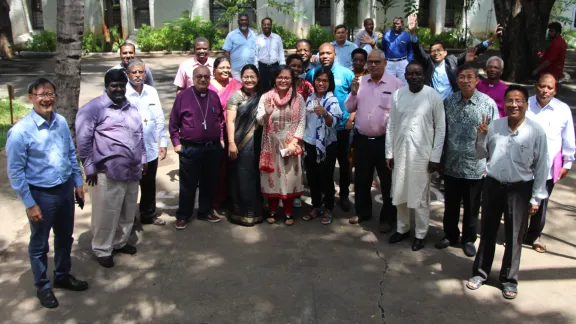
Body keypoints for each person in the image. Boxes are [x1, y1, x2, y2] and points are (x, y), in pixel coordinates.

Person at [6, 78, 88, 309]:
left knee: (65, 237)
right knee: (40, 244)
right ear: (31, 97)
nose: (46, 98)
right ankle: (42, 286)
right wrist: (30, 204)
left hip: (64, 191)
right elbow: (15, 172)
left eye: (50, 93)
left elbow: (71, 154)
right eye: (41, 94)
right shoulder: (20, 132)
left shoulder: (60, 122)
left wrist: (78, 182)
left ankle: (62, 275)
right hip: (41, 195)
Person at [466, 85, 548, 300]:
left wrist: (536, 197)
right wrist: (481, 136)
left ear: (526, 104)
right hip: (493, 185)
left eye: (519, 100)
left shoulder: (536, 131)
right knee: (487, 233)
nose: (514, 105)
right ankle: (480, 273)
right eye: (510, 100)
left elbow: (541, 167)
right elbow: (480, 155)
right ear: (505, 104)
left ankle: (509, 280)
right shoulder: (494, 126)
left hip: (520, 189)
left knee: (514, 237)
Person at [76, 69, 147, 268]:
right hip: (106, 172)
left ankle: (119, 242)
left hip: (132, 170)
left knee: (127, 211)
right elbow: (83, 140)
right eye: (113, 86)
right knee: (106, 213)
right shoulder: (92, 109)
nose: (118, 89)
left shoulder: (130, 108)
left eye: (121, 86)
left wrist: (143, 159)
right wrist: (89, 167)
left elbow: (139, 135)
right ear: (106, 86)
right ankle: (102, 248)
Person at [436, 64, 498, 257]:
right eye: (461, 77)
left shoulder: (487, 104)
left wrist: (490, 163)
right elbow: (442, 132)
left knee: (472, 207)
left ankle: (469, 239)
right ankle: (450, 234)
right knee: (451, 204)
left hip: (476, 165)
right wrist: (439, 159)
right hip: (452, 164)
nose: (465, 80)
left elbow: (497, 136)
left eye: (469, 77)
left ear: (477, 80)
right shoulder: (449, 102)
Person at [385, 62, 445, 251]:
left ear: (424, 75)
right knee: (400, 192)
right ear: (405, 75)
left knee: (420, 196)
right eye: (410, 74)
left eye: (417, 73)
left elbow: (441, 128)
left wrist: (436, 157)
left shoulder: (432, 96)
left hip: (423, 155)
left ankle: (420, 233)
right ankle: (402, 228)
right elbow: (391, 125)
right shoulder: (398, 95)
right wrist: (389, 153)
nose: (414, 77)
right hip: (400, 152)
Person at [345, 49, 403, 232]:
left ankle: (387, 219)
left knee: (387, 182)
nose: (373, 65)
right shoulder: (360, 82)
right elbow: (349, 107)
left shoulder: (397, 85)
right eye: (370, 62)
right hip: (362, 140)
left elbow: (401, 115)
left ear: (385, 63)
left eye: (377, 62)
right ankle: (363, 213)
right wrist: (353, 93)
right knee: (362, 180)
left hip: (385, 141)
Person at [169, 66, 225, 230]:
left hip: (212, 147)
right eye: (199, 76)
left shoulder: (213, 96)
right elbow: (173, 123)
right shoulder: (184, 96)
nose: (203, 79)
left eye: (206, 77)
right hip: (190, 148)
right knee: (188, 184)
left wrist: (221, 139)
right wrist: (176, 144)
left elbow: (220, 121)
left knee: (209, 182)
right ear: (193, 79)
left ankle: (205, 211)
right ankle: (183, 215)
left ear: (210, 78)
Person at [525, 74, 575, 253]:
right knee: (520, 200)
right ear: (535, 86)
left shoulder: (562, 110)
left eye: (549, 88)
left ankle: (534, 236)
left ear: (555, 90)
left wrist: (567, 163)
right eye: (541, 86)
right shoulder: (525, 103)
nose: (544, 90)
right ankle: (517, 234)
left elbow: (568, 138)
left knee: (542, 200)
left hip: (548, 164)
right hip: (522, 163)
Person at [306, 43, 355, 212]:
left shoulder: (347, 73)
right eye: (321, 53)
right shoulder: (312, 73)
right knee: (319, 170)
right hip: (315, 135)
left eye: (328, 53)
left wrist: (351, 119)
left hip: (342, 127)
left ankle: (343, 196)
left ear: (335, 53)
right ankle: (319, 203)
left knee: (342, 164)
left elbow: (356, 97)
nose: (325, 56)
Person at [407, 14, 499, 99]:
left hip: (450, 101)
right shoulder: (427, 62)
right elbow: (417, 50)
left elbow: (474, 51)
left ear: (445, 53)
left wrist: (491, 40)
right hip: (432, 102)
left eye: (439, 50)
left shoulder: (452, 61)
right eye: (433, 51)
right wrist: (412, 32)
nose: (436, 53)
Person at [258, 65, 306, 226]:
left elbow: (301, 121)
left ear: (292, 80)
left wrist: (294, 142)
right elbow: (259, 121)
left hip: (290, 145)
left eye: (286, 77)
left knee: (289, 178)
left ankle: (288, 212)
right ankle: (272, 210)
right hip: (270, 144)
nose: (283, 80)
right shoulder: (266, 97)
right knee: (271, 178)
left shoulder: (298, 98)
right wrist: (267, 113)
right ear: (274, 79)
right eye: (280, 77)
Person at [125, 59, 168, 226]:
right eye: (134, 72)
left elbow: (158, 117)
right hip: (130, 149)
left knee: (149, 184)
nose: (137, 75)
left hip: (150, 147)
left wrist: (163, 142)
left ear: (145, 73)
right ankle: (128, 219)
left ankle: (148, 215)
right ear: (128, 74)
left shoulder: (151, 91)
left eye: (140, 72)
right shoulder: (124, 93)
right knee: (129, 187)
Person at [303, 66, 343, 225]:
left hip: (327, 145)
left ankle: (328, 208)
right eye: (319, 80)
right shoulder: (310, 98)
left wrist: (325, 113)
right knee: (312, 176)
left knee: (326, 177)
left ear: (330, 82)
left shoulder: (332, 100)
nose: (321, 83)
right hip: (311, 142)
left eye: (325, 80)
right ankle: (316, 206)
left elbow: (334, 123)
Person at [226, 64, 264, 226]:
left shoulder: (263, 96)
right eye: (246, 77)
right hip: (241, 144)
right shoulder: (236, 97)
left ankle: (256, 212)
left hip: (259, 142)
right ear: (241, 78)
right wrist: (231, 143)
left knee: (256, 176)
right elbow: (230, 121)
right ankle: (240, 212)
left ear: (258, 78)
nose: (249, 80)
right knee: (241, 177)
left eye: (252, 76)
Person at [208, 56, 242, 215]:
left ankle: (231, 199)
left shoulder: (236, 84)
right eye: (222, 67)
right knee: (217, 168)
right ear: (214, 70)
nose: (226, 70)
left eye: (228, 67)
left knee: (233, 167)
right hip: (215, 132)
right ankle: (215, 201)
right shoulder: (208, 86)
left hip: (235, 131)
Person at [223, 13, 257, 81]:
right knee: (237, 90)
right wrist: (228, 67)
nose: (244, 22)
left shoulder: (254, 35)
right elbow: (226, 52)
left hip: (251, 70)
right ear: (238, 21)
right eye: (242, 20)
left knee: (250, 89)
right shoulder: (231, 35)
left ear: (248, 21)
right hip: (236, 71)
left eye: (246, 20)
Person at [380, 16, 413, 84]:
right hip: (389, 63)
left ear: (402, 25)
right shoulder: (387, 34)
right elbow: (383, 48)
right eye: (394, 23)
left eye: (398, 23)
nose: (396, 25)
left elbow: (410, 50)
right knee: (388, 83)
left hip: (402, 62)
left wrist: (408, 61)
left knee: (404, 83)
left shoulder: (406, 35)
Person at [256, 17, 286, 90]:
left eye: (268, 24)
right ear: (262, 26)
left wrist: (282, 66)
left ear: (271, 25)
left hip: (275, 66)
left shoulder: (277, 37)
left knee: (275, 86)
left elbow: (281, 52)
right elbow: (255, 54)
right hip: (262, 67)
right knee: (263, 87)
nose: (266, 26)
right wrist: (256, 67)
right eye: (264, 24)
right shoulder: (257, 39)